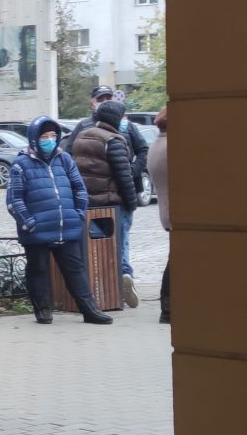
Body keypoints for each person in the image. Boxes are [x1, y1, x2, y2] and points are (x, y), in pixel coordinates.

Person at [6, 116, 113, 325]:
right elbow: (14, 199)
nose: (50, 140)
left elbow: (79, 189)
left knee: (75, 269)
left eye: (53, 135)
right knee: (38, 270)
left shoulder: (64, 159)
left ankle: (90, 310)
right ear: (34, 138)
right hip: (37, 230)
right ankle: (43, 310)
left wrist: (78, 214)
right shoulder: (21, 164)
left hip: (67, 226)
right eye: (44, 136)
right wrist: (29, 222)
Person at [60, 85, 148, 306]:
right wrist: (131, 202)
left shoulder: (86, 134)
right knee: (119, 241)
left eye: (109, 98)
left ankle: (102, 285)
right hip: (112, 201)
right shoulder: (109, 137)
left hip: (90, 201)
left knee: (100, 243)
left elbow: (141, 152)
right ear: (93, 102)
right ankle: (121, 277)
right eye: (101, 98)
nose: (105, 101)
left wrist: (134, 170)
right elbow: (122, 177)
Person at [147, 105, 170, 324]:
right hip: (177, 214)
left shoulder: (157, 143)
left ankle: (168, 309)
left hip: (168, 213)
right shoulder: (170, 146)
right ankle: (168, 309)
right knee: (177, 262)